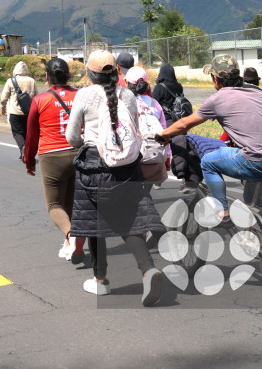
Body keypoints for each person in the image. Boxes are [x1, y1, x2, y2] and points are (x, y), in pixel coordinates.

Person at [65, 50, 166, 306]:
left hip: (93, 166)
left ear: (90, 73)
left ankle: (100, 282)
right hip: (126, 167)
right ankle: (148, 269)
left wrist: (84, 144)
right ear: (117, 72)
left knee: (94, 223)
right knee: (130, 222)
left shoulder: (84, 95)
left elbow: (71, 136)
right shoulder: (129, 95)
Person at [155, 55, 262, 223]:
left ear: (215, 78)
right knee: (252, 201)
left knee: (208, 162)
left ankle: (222, 211)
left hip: (256, 161)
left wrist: (164, 134)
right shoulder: (257, 91)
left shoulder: (219, 98)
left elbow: (184, 124)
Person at [24, 58, 84, 264]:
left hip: (52, 155)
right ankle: (75, 248)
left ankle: (70, 236)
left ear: (47, 77)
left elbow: (31, 135)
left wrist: (29, 160)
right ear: (68, 75)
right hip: (79, 153)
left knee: (55, 205)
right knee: (72, 202)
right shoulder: (80, 96)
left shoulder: (40, 100)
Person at [125, 66, 171, 188]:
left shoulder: (125, 103)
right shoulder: (154, 103)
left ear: (126, 83)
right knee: (146, 192)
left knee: (134, 196)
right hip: (154, 156)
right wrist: (167, 158)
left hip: (133, 159)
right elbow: (164, 132)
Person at [1, 61, 38, 159]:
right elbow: (37, 96)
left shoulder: (10, 81)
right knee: (27, 132)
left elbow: (4, 97)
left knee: (17, 132)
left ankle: (22, 147)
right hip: (29, 112)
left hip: (15, 112)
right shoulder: (31, 81)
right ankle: (25, 152)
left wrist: (3, 107)